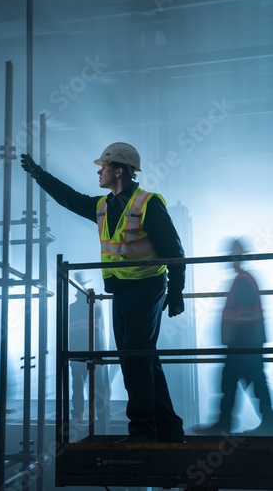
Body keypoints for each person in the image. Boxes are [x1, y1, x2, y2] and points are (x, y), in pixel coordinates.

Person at [21, 142, 186, 442]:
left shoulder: (148, 203)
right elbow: (70, 199)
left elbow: (174, 250)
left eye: (104, 166)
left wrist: (176, 291)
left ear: (118, 170)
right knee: (142, 358)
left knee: (135, 358)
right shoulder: (102, 206)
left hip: (146, 288)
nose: (99, 171)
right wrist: (40, 176)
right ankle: (169, 428)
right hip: (122, 292)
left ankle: (142, 433)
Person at [195, 237, 273, 435]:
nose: (229, 261)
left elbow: (244, 316)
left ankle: (226, 424)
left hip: (243, 343)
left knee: (234, 381)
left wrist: (235, 342)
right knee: (249, 382)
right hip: (247, 343)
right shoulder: (244, 280)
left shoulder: (243, 282)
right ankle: (263, 422)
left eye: (231, 257)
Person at [69, 271, 110, 423]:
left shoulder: (72, 308)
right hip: (92, 351)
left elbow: (72, 332)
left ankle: (78, 415)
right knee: (97, 386)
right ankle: (101, 415)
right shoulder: (94, 306)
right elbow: (98, 332)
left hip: (77, 353)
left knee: (78, 386)